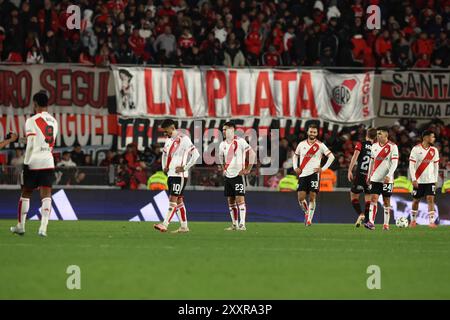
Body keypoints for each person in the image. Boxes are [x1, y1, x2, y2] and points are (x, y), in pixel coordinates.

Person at [10, 91, 58, 237]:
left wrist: (26, 164)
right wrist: (19, 139)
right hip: (48, 160)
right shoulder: (54, 121)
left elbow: (31, 144)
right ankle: (43, 228)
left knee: (26, 193)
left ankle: (21, 226)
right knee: (46, 195)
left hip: (33, 161)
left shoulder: (31, 120)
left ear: (35, 104)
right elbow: (45, 141)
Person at [153, 119, 200, 233]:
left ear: (172, 127)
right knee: (178, 200)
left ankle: (165, 224)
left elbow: (196, 155)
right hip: (171, 174)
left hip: (180, 175)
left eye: (166, 131)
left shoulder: (184, 139)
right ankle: (184, 227)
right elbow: (164, 155)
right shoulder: (168, 140)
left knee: (173, 198)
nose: (165, 133)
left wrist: (185, 167)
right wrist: (164, 166)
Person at [293, 124, 335, 226]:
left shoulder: (320, 145)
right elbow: (295, 156)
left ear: (317, 133)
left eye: (314, 132)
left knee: (312, 197)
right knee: (300, 198)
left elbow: (331, 157)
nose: (312, 134)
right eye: (311, 132)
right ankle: (307, 212)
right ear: (307, 132)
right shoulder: (301, 144)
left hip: (314, 174)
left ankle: (309, 220)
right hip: (303, 174)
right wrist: (295, 167)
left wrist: (323, 169)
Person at [218, 122, 256, 231]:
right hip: (228, 176)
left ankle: (242, 224)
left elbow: (252, 154)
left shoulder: (240, 141)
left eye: (225, 129)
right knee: (231, 201)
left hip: (238, 175)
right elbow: (220, 156)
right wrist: (223, 167)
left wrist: (248, 169)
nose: (223, 131)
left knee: (240, 199)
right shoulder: (222, 144)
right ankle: (234, 224)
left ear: (232, 129)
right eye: (223, 130)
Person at [365, 127, 399, 231]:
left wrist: (389, 175)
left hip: (387, 179)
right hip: (375, 178)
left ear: (386, 135)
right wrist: (369, 175)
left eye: (380, 134)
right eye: (377, 134)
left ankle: (386, 224)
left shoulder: (393, 147)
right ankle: (371, 222)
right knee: (374, 198)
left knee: (386, 201)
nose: (378, 135)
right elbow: (371, 162)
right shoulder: (374, 146)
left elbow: (394, 163)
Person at [409, 130, 440, 228]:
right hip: (418, 180)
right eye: (432, 137)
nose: (434, 139)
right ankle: (413, 221)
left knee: (430, 199)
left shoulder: (434, 150)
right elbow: (411, 165)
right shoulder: (416, 149)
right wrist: (414, 179)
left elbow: (436, 166)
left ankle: (431, 222)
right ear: (426, 138)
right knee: (416, 200)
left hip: (430, 181)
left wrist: (435, 180)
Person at [347, 128, 377, 227]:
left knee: (354, 195)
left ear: (366, 135)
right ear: (376, 137)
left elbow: (354, 157)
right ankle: (367, 221)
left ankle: (361, 214)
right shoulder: (376, 147)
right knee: (368, 198)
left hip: (360, 174)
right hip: (371, 177)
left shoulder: (361, 144)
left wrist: (350, 170)